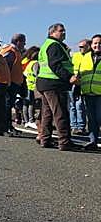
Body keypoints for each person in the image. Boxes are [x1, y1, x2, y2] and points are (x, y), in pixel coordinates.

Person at [36, 23, 79, 151]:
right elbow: (55, 65)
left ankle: (45, 139)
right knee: (60, 113)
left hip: (45, 83)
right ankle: (64, 141)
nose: (64, 33)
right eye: (61, 31)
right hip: (54, 83)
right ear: (52, 33)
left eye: (64, 30)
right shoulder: (54, 45)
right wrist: (69, 77)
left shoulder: (47, 45)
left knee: (47, 113)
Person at [77, 34, 101, 150]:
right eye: (95, 43)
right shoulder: (85, 57)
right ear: (91, 45)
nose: (98, 45)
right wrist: (77, 88)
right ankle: (93, 142)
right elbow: (81, 74)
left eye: (100, 43)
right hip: (87, 93)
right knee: (91, 120)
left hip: (100, 94)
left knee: (99, 118)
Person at [0, 33, 27, 137]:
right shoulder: (11, 52)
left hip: (12, 82)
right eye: (23, 43)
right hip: (10, 83)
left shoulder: (12, 51)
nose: (24, 45)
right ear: (18, 42)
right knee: (7, 106)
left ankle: (8, 126)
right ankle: (6, 127)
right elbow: (5, 66)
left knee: (8, 105)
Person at [70, 39, 91, 135]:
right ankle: (74, 126)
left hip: (82, 83)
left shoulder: (90, 56)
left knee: (80, 105)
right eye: (79, 47)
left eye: (82, 47)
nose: (80, 49)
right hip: (72, 83)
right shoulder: (76, 55)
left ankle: (81, 126)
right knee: (72, 106)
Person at [22, 46, 40, 129]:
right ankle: (31, 120)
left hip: (27, 85)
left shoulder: (29, 63)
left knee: (26, 104)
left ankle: (26, 120)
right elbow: (37, 75)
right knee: (31, 104)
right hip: (33, 86)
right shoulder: (36, 63)